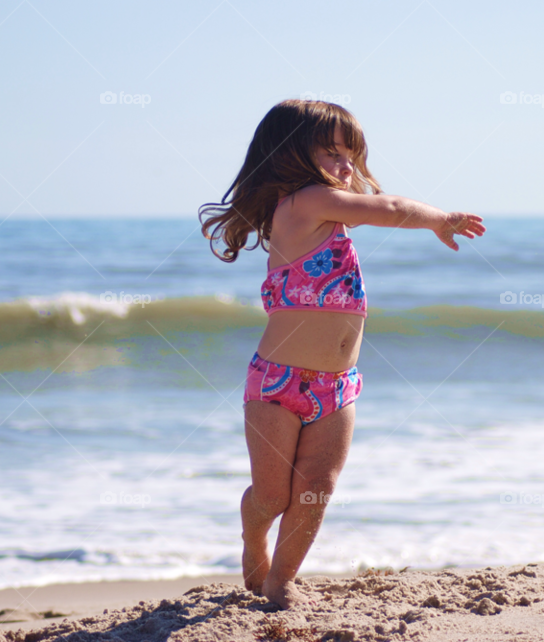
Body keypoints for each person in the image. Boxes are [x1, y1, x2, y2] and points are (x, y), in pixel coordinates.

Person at [199, 99, 485, 609]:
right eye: (331, 153)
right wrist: (440, 218)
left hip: (337, 387)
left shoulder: (332, 217)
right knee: (272, 496)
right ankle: (253, 539)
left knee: (316, 491)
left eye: (351, 154)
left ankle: (281, 579)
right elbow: (392, 209)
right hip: (276, 385)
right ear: (291, 156)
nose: (346, 166)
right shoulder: (303, 204)